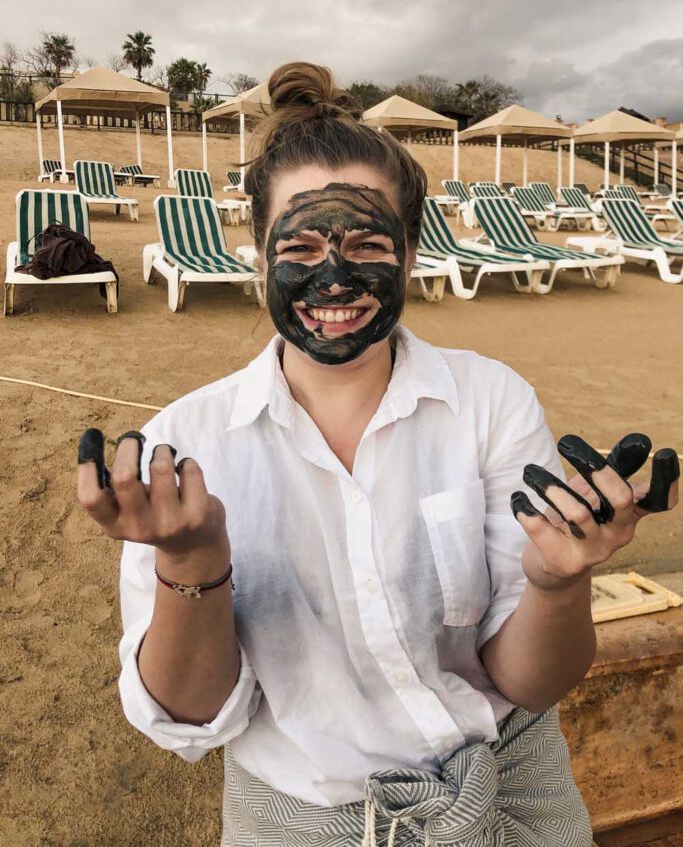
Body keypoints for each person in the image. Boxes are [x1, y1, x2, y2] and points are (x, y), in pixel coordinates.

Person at [77, 62, 679, 847]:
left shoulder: (488, 403)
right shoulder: (184, 451)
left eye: (366, 241)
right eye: (298, 245)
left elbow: (530, 682)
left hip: (508, 793)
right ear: (258, 256)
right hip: (299, 819)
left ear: (411, 251)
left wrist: (557, 583)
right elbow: (189, 719)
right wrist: (191, 563)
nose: (332, 277)